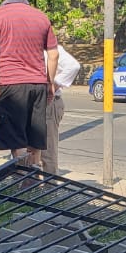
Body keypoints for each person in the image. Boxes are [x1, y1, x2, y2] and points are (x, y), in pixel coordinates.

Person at [0, 0, 58, 168]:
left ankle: (22, 181)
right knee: (35, 136)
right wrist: (49, 83)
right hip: (37, 84)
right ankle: (34, 176)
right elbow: (54, 54)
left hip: (11, 84)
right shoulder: (41, 16)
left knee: (17, 140)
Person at [41, 44, 81, 174]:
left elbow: (73, 66)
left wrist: (53, 85)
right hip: (36, 101)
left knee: (47, 150)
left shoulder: (51, 49)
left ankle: (49, 186)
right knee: (34, 150)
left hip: (49, 103)